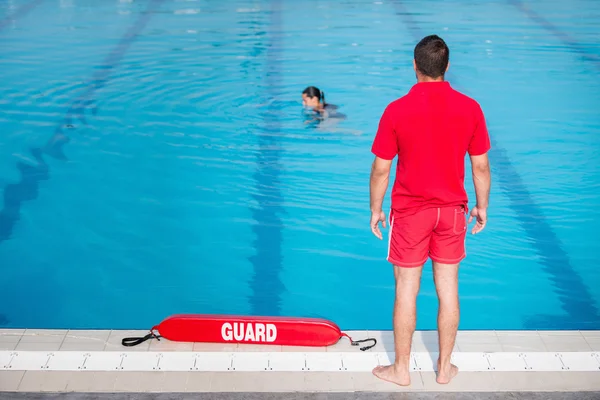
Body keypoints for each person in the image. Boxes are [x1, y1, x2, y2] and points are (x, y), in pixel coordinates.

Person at [368, 35, 491, 386]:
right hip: (452, 211)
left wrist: (376, 209)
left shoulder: (396, 109)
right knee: (448, 287)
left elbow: (381, 168)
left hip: (410, 213)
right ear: (447, 67)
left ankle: (401, 369)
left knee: (407, 286)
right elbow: (480, 166)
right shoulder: (470, 107)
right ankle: (443, 368)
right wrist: (482, 207)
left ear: (414, 65)